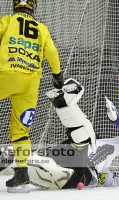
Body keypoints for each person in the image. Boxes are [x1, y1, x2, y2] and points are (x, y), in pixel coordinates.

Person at [0, 78, 119, 190]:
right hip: (78, 151)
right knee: (82, 141)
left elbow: (117, 180)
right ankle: (64, 104)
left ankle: (11, 160)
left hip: (79, 172)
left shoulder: (104, 176)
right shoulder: (112, 147)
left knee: (58, 173)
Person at [0, 0, 64, 193]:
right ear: (33, 7)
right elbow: (51, 51)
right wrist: (57, 75)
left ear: (15, 5)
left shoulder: (8, 20)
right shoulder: (42, 28)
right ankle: (21, 173)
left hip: (6, 73)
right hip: (30, 82)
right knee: (21, 130)